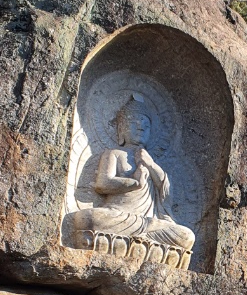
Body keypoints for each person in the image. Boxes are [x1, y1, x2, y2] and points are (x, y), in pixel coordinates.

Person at [72, 94, 194, 251]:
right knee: (86, 219)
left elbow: (166, 192)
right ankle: (143, 243)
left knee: (187, 236)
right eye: (134, 122)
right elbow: (103, 184)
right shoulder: (114, 154)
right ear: (121, 129)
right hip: (118, 215)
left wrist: (151, 165)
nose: (141, 127)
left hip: (148, 221)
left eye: (146, 125)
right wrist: (135, 182)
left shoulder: (151, 161)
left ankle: (134, 241)